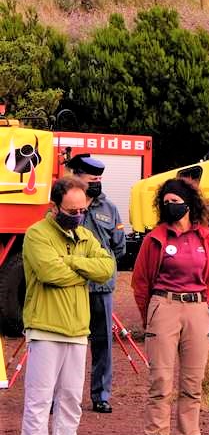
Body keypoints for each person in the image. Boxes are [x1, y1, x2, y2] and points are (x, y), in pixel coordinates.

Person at [18, 175, 115, 435]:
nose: (76, 215)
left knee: (71, 400)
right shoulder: (37, 235)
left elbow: (107, 268)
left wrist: (71, 261)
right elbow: (50, 272)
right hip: (45, 329)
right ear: (55, 206)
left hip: (77, 330)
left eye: (81, 210)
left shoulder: (85, 235)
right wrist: (83, 269)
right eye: (70, 210)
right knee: (39, 401)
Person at [132, 177, 209, 435]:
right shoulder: (155, 238)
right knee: (161, 382)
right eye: (166, 202)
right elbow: (141, 282)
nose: (171, 207)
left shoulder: (206, 238)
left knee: (193, 384)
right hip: (164, 304)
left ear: (189, 203)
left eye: (176, 202)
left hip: (196, 307)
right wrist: (152, 315)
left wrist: (200, 309)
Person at [65, 155, 126, 414]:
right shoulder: (63, 208)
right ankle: (63, 396)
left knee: (103, 343)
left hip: (101, 288)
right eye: (92, 179)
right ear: (77, 178)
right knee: (68, 343)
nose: (97, 183)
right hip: (71, 287)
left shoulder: (109, 209)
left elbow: (119, 246)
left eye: (100, 179)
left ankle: (100, 395)